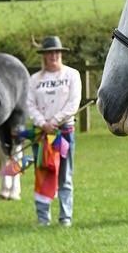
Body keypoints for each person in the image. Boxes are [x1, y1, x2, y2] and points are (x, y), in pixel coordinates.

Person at [27, 36, 81, 226]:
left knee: (65, 174)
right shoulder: (35, 79)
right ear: (44, 55)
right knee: (43, 173)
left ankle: (65, 217)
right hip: (41, 134)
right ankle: (43, 218)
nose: (54, 56)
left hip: (63, 132)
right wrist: (43, 124)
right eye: (50, 53)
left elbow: (73, 103)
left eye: (57, 52)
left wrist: (55, 122)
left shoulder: (72, 75)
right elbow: (30, 105)